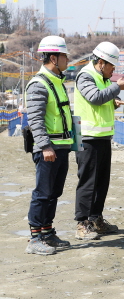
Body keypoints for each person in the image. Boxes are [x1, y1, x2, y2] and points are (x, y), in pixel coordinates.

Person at [74, 41, 124, 240]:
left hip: (102, 137)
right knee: (88, 182)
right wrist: (117, 87)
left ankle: (95, 218)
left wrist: (114, 102)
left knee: (101, 182)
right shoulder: (85, 76)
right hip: (87, 138)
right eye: (111, 66)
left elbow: (103, 100)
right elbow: (94, 98)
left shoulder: (103, 77)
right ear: (101, 62)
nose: (113, 70)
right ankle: (82, 224)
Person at [24, 36, 73, 255]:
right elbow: (35, 119)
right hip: (48, 148)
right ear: (54, 58)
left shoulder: (58, 81)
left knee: (54, 192)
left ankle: (47, 232)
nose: (68, 59)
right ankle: (35, 238)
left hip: (61, 146)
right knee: (42, 193)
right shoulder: (39, 83)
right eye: (64, 56)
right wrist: (44, 146)